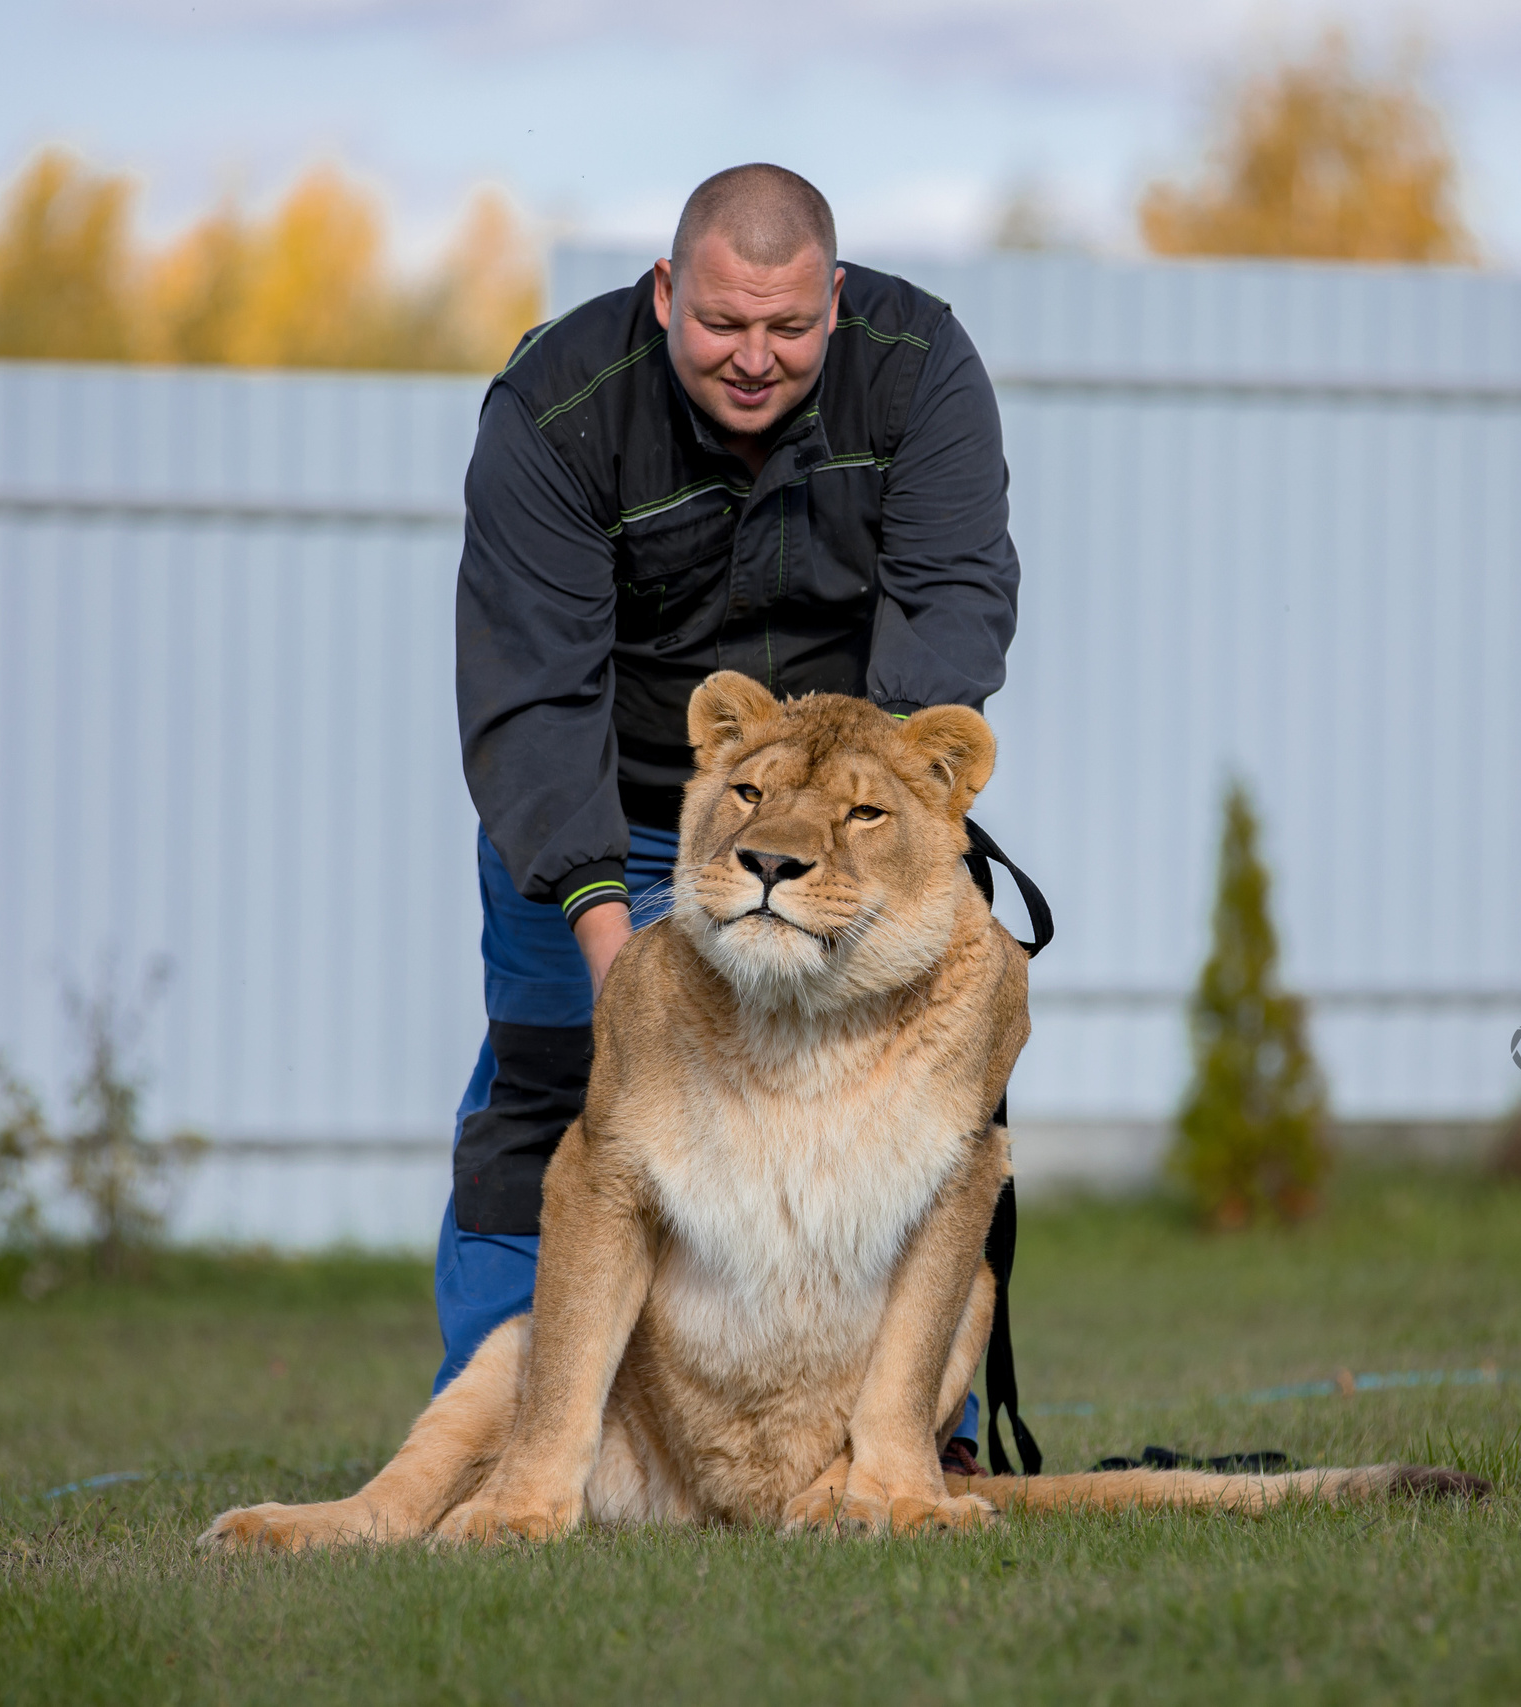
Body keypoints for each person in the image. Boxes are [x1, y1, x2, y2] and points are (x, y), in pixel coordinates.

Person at [443, 164, 1023, 1458]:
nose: (755, 357)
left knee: (908, 1127)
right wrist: (613, 941)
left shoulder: (920, 367)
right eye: (722, 324)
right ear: (664, 295)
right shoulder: (556, 406)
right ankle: (496, 1443)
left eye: (789, 327)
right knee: (558, 1104)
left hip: (837, 814)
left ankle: (923, 1442)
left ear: (834, 301)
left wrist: (875, 836)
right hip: (620, 803)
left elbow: (950, 608)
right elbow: (532, 693)